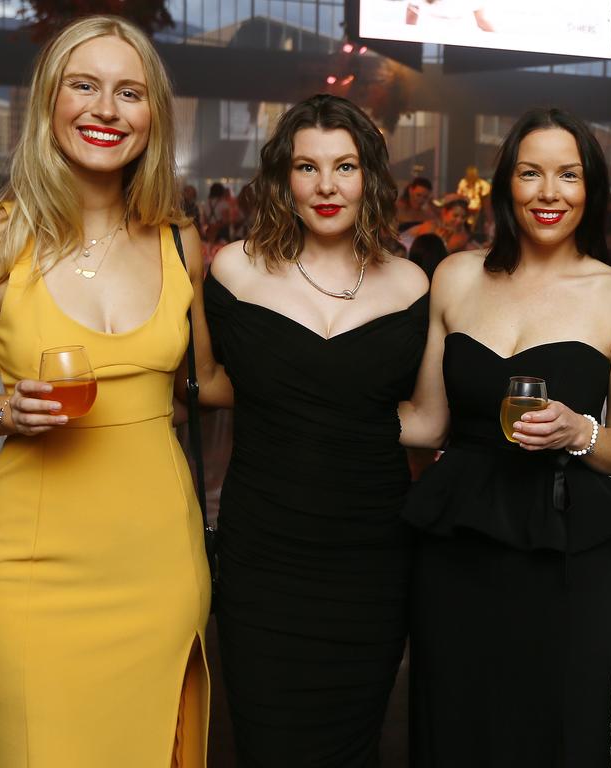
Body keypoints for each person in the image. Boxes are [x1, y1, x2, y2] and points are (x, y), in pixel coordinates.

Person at [0, 15, 216, 766]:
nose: (105, 111)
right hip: (34, 570)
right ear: (48, 101)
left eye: (130, 92)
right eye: (83, 86)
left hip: (160, 561)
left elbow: (207, 386)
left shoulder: (181, 242)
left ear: (154, 116)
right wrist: (2, 411)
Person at [398, 107, 611, 767]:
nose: (548, 192)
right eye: (531, 173)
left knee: (557, 727)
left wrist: (579, 430)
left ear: (591, 189)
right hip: (457, 549)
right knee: (453, 717)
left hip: (563, 553)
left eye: (568, 175)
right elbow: (426, 421)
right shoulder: (455, 275)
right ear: (507, 184)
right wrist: (312, 399)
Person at [204, 93, 429, 767]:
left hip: (371, 558)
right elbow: (205, 382)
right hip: (264, 557)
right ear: (283, 179)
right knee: (268, 740)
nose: (327, 186)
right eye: (308, 167)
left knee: (354, 743)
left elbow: (428, 417)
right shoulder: (233, 270)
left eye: (346, 167)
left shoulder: (415, 284)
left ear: (371, 178)